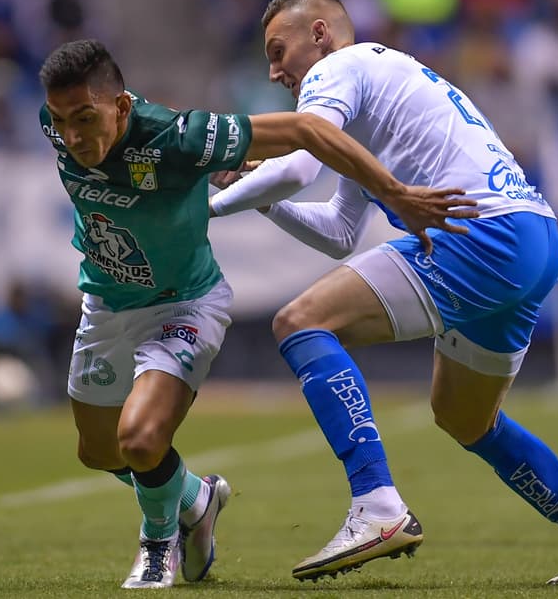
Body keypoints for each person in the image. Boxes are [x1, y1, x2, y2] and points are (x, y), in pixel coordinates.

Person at [208, 0, 558, 584]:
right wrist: (257, 202)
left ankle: (376, 505)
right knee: (466, 420)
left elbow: (300, 161)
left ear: (319, 35)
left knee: (299, 321)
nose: (274, 68)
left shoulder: (340, 66)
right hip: (533, 237)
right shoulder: (373, 94)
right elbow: (339, 230)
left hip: (478, 234)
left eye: (278, 50)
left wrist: (210, 206)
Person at [38, 39, 473, 589]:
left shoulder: (177, 136)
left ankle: (156, 544)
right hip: (104, 303)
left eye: (85, 118)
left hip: (183, 303)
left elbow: (305, 132)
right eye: (60, 120)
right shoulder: (54, 124)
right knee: (97, 452)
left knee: (141, 441)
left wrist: (396, 193)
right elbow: (76, 130)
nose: (73, 136)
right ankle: (197, 498)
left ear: (121, 107)